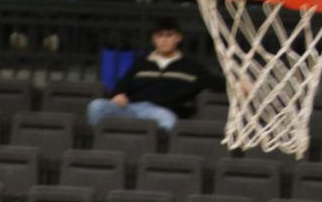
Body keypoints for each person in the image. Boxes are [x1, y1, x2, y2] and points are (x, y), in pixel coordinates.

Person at [86, 17, 223, 132]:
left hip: (161, 111)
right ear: (154, 39)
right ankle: (102, 142)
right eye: (160, 36)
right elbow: (122, 85)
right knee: (97, 106)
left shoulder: (191, 66)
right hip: (132, 108)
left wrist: (239, 85)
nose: (164, 40)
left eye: (169, 35)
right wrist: (118, 94)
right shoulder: (141, 62)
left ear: (178, 38)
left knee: (168, 121)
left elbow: (215, 82)